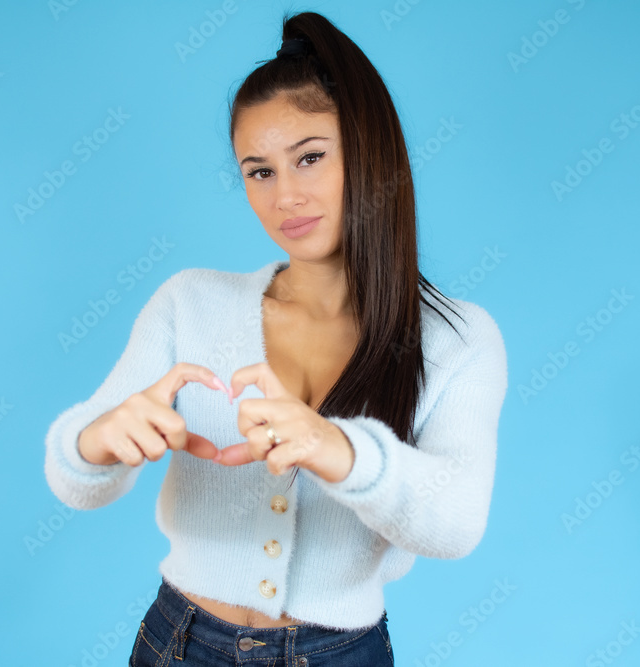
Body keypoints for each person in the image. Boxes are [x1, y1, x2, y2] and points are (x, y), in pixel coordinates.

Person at [43, 10, 508, 666]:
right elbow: (75, 477)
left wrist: (334, 447)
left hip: (341, 652)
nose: (285, 195)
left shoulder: (458, 340)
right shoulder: (189, 302)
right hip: (181, 642)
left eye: (309, 158)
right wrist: (99, 440)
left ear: (368, 153)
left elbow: (457, 523)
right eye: (259, 171)